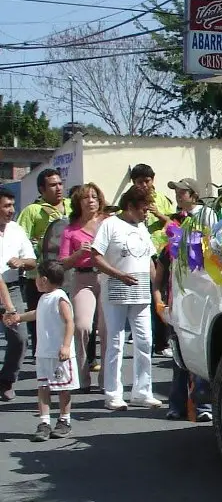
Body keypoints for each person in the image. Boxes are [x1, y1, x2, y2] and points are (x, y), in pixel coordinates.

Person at [91, 186, 163, 410]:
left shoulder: (142, 227)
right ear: (130, 206)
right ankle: (113, 393)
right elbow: (95, 256)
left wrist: (158, 288)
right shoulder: (110, 224)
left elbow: (150, 261)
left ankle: (142, 392)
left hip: (140, 293)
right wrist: (118, 274)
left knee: (145, 341)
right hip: (115, 290)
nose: (146, 214)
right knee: (115, 341)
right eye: (143, 209)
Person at [3, 259, 77, 440]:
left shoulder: (60, 298)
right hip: (43, 352)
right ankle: (44, 422)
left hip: (59, 354)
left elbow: (69, 322)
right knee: (43, 386)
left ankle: (64, 420)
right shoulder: (44, 298)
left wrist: (66, 346)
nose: (35, 280)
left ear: (44, 279)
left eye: (36, 277)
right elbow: (38, 313)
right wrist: (19, 318)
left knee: (63, 388)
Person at [153, 229, 212, 422]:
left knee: (199, 359)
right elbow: (158, 281)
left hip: (198, 309)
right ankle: (177, 406)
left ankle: (203, 405)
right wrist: (159, 304)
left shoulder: (208, 249)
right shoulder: (168, 251)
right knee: (179, 362)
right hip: (176, 309)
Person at [58, 183, 108, 391]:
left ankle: (107, 379)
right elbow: (62, 263)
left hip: (107, 277)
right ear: (78, 203)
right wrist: (78, 255)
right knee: (82, 326)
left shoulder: (108, 223)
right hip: (82, 278)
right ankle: (82, 376)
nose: (91, 201)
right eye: (86, 197)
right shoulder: (70, 230)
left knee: (107, 330)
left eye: (95, 197)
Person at [121, 164, 174, 357]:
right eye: (139, 182)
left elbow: (173, 223)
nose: (144, 185)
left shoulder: (162, 199)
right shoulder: (128, 200)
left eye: (147, 181)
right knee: (141, 297)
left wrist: (158, 214)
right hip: (137, 254)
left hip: (159, 252)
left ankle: (162, 341)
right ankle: (141, 337)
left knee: (160, 294)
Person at [17, 168, 66, 349]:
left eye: (60, 183)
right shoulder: (32, 211)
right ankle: (41, 361)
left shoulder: (71, 206)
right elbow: (21, 240)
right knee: (40, 321)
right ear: (41, 190)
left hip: (68, 275)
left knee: (67, 318)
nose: (58, 188)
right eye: (53, 185)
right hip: (39, 277)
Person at [0, 188, 37, 402]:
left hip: (13, 288)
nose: (11, 210)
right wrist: (9, 308)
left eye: (12, 206)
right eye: (6, 206)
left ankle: (6, 380)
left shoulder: (16, 230)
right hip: (3, 289)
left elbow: (32, 261)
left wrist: (21, 262)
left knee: (20, 338)